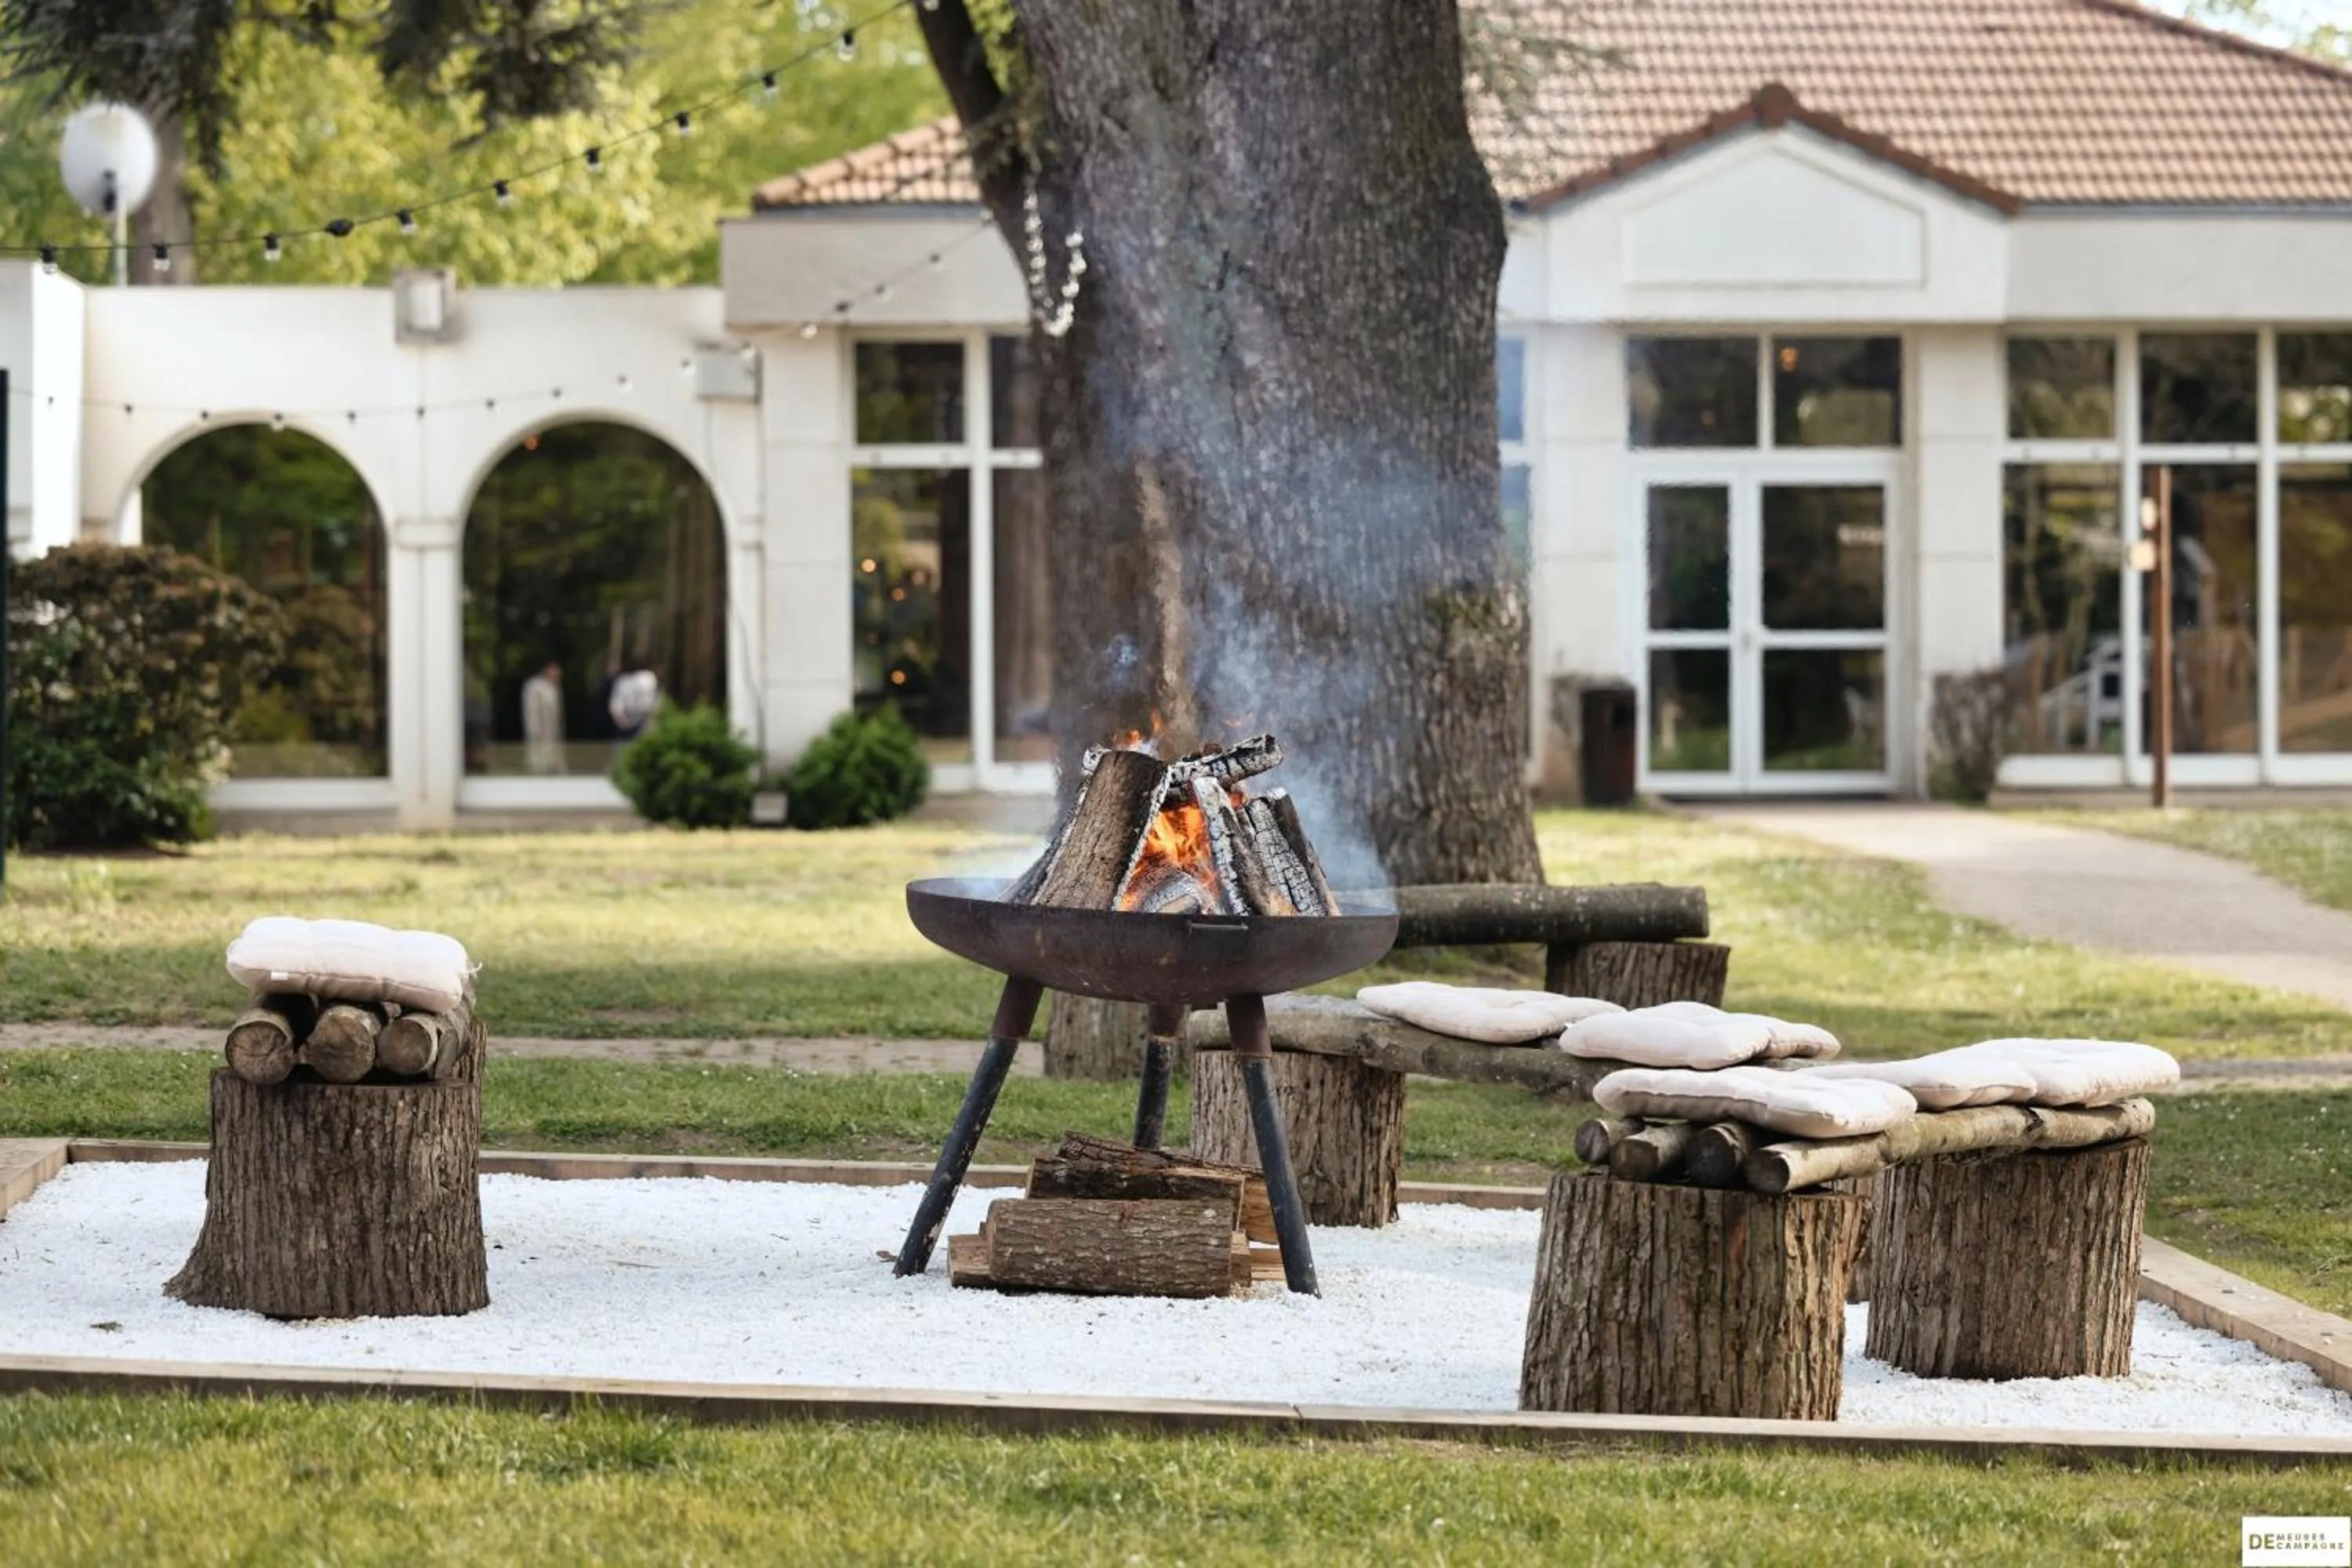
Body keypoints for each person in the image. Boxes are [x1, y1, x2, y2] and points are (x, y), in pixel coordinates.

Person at [521, 660, 566, 775]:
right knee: (539, 766)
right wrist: (535, 732)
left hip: (553, 736)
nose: (558, 674)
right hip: (538, 734)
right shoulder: (534, 686)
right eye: (555, 670)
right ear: (548, 670)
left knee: (555, 767)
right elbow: (532, 711)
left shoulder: (554, 688)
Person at [608, 663, 660, 748]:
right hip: (628, 726)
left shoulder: (647, 677)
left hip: (640, 724)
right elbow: (615, 707)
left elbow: (615, 707)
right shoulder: (623, 680)